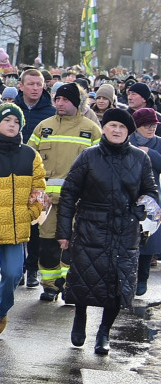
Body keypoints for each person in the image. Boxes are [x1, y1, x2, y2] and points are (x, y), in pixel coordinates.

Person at [58, 108, 159, 355]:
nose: (116, 130)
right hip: (91, 228)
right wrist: (64, 232)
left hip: (125, 231)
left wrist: (140, 211)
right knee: (85, 279)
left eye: (122, 127)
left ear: (128, 132)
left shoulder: (140, 158)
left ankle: (104, 332)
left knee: (119, 285)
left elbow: (151, 192)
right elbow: (69, 193)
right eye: (112, 125)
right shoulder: (88, 156)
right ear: (104, 128)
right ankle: (79, 317)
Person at [28, 82, 101, 301]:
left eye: (65, 100)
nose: (59, 103)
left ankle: (72, 286)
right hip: (47, 200)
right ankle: (50, 285)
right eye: (57, 99)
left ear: (76, 103)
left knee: (74, 244)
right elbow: (29, 159)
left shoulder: (91, 129)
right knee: (48, 242)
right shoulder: (43, 127)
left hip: (79, 200)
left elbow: (100, 166)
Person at [130, 107, 161, 296]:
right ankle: (128, 279)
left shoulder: (158, 143)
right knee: (129, 239)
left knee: (148, 240)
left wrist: (149, 152)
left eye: (154, 126)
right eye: (146, 126)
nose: (151, 129)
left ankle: (143, 278)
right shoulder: (128, 141)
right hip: (129, 195)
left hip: (151, 198)